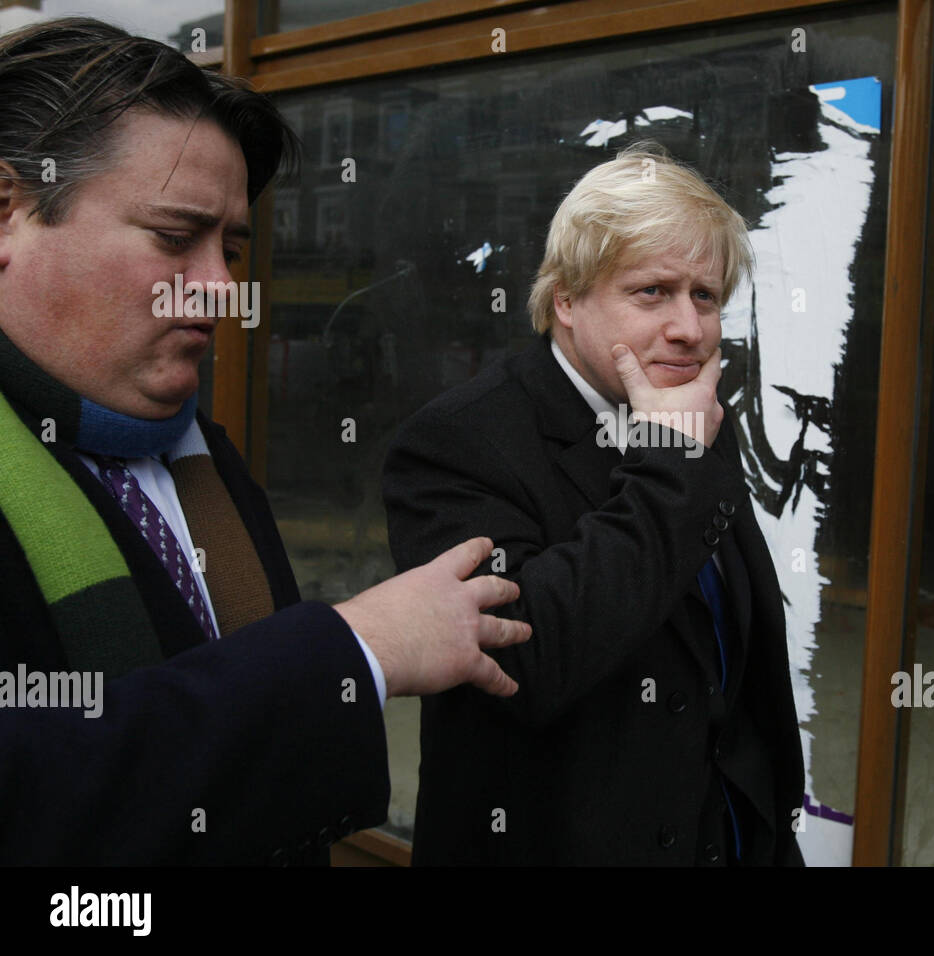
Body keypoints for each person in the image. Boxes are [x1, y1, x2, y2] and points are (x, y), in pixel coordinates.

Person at [0, 17, 529, 865]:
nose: (220, 291)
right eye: (176, 239)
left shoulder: (203, 459)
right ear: (10, 212)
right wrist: (354, 649)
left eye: (234, 248)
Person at [384, 143, 805, 865]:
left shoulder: (687, 412)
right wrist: (672, 464)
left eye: (705, 295)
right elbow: (526, 659)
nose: (690, 327)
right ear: (567, 301)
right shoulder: (458, 442)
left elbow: (732, 674)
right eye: (652, 292)